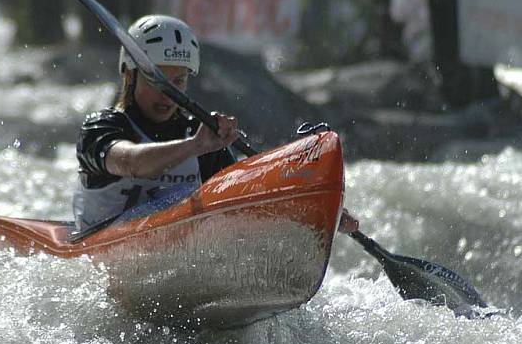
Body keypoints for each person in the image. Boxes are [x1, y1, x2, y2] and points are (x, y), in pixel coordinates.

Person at [72, 13, 360, 235]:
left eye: (179, 81)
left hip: (178, 247)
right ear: (130, 75)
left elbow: (244, 202)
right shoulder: (101, 129)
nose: (167, 93)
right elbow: (131, 163)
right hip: (103, 244)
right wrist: (194, 146)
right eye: (156, 80)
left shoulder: (199, 137)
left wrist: (316, 211)